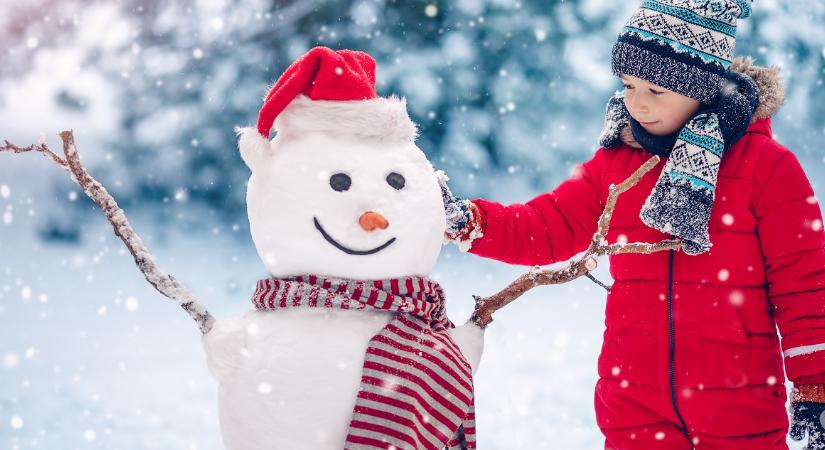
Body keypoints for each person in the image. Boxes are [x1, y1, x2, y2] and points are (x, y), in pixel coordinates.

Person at [441, 1, 825, 448]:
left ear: (702, 88)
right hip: (634, 404)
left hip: (738, 401)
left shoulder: (766, 167)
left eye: (656, 91)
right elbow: (548, 224)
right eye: (628, 85)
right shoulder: (618, 162)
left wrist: (814, 384)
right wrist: (471, 221)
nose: (636, 103)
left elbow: (805, 287)